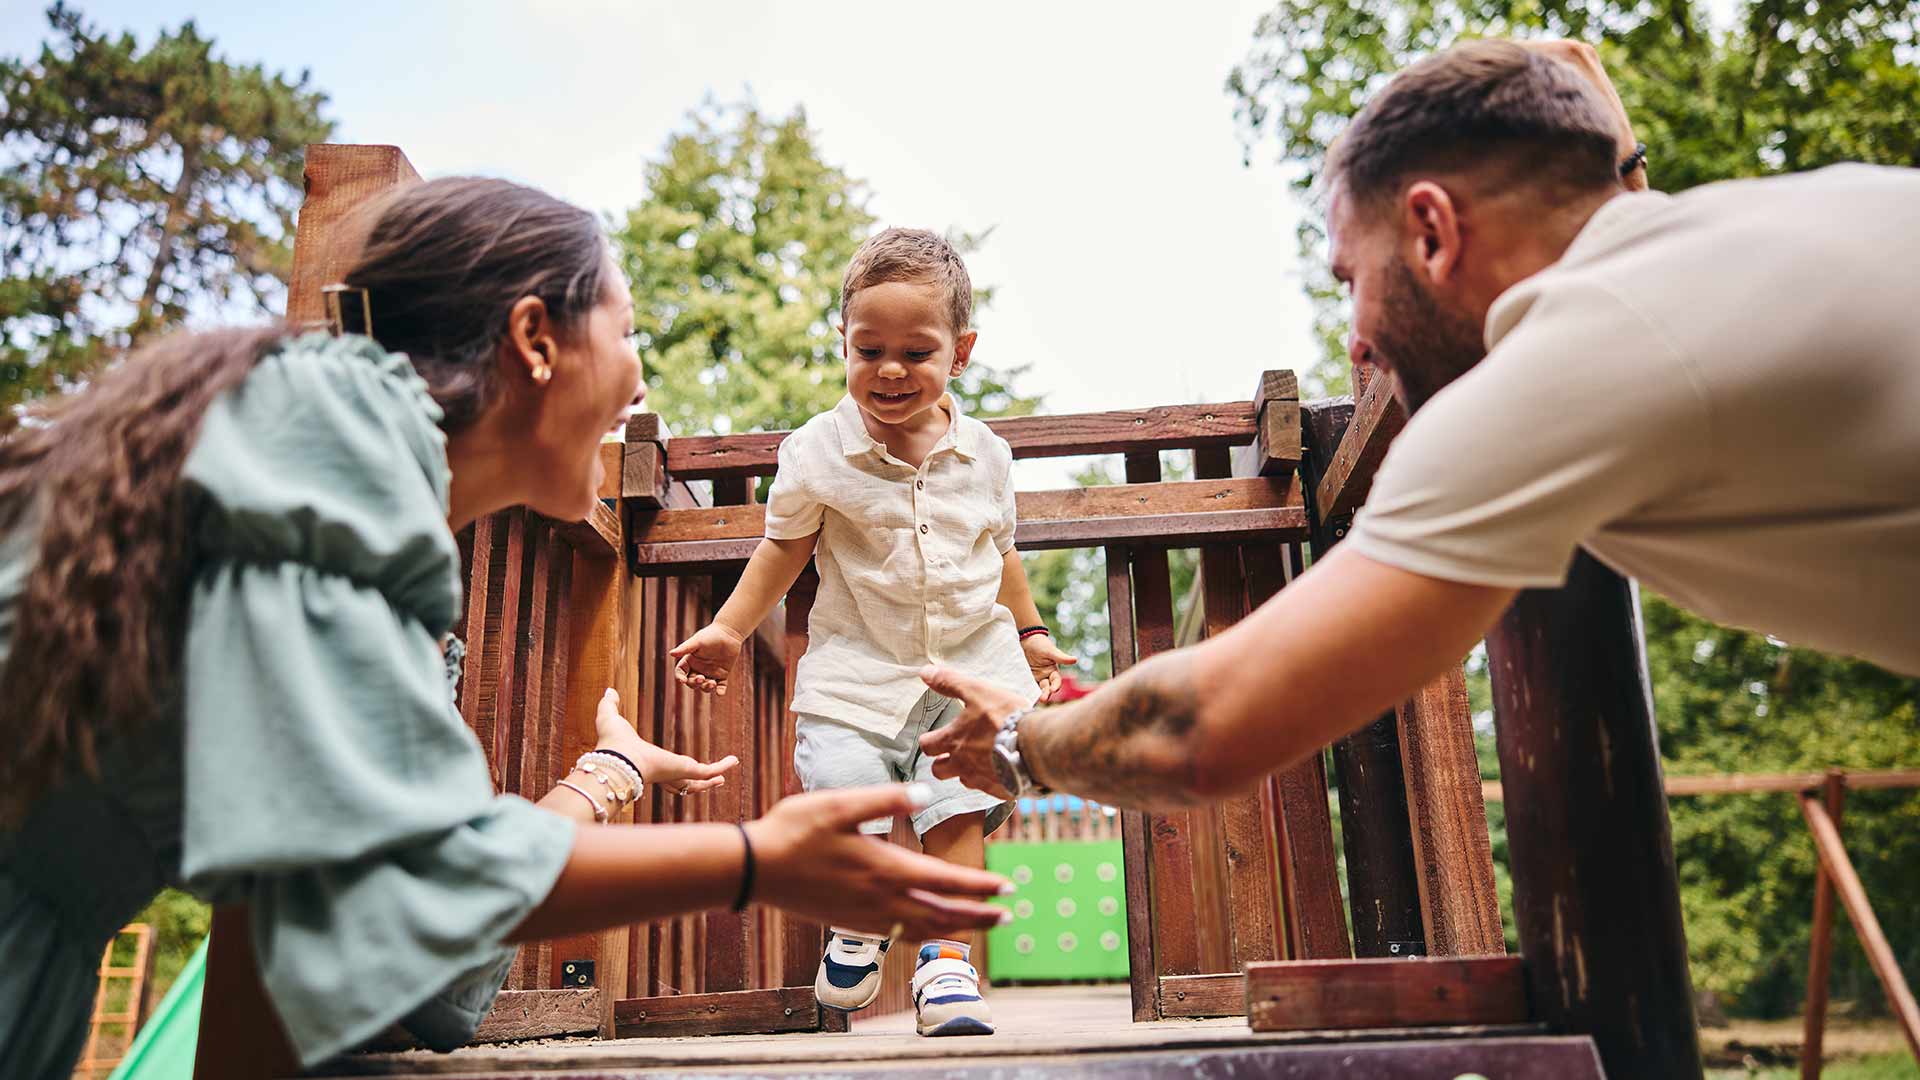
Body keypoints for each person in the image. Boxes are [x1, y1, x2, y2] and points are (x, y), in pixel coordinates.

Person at [0, 178, 1010, 1078]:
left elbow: (419, 948)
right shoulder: (318, 484)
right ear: (535, 341)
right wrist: (756, 861)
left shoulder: (329, 472)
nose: (641, 381)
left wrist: (608, 777)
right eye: (626, 332)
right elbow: (421, 891)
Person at [911, 41, 1920, 816]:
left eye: (1353, 278)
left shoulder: (1566, 360)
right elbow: (1581, 94)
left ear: (1433, 230)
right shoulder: (1777, 232)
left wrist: (1018, 745)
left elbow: (1195, 732)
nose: (1355, 338)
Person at [669, 228, 1077, 1037]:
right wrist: (726, 629)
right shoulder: (817, 451)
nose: (890, 370)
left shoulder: (986, 455)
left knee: (957, 813)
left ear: (960, 353)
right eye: (869, 349)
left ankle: (946, 968)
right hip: (857, 672)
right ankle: (858, 917)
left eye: (916, 352)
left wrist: (1029, 635)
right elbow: (782, 551)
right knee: (846, 796)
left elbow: (1000, 554)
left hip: (967, 666)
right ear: (844, 345)